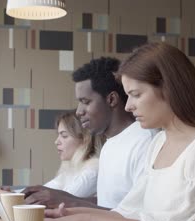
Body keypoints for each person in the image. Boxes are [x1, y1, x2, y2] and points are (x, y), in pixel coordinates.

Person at [42, 42, 195, 221]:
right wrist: (70, 216)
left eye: (135, 94)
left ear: (169, 89)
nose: (128, 105)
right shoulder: (159, 141)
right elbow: (128, 211)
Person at [22, 57, 156, 209]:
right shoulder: (110, 144)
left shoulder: (145, 141)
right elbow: (110, 204)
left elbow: (141, 217)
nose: (79, 111)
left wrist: (68, 202)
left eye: (85, 102)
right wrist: (59, 197)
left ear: (111, 99)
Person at [43, 111, 103, 197]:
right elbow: (44, 190)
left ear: (84, 139)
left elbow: (63, 199)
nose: (56, 142)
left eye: (64, 136)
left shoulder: (93, 170)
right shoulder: (70, 168)